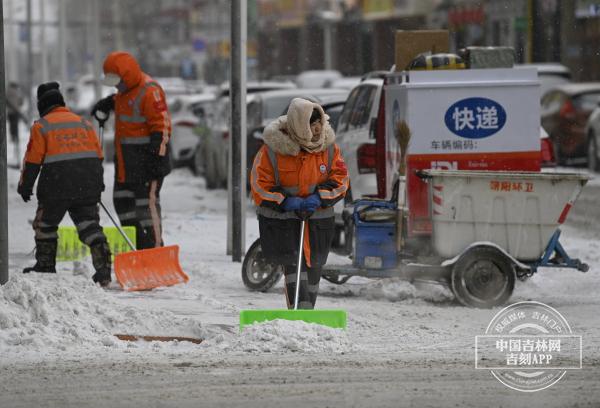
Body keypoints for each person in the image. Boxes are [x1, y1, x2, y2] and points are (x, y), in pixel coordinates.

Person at [250, 98, 349, 309]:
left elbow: (341, 180)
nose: (316, 130)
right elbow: (259, 185)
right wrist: (285, 200)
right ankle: (296, 312)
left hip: (318, 225)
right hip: (286, 224)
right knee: (293, 270)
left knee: (314, 270)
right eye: (311, 126)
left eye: (318, 125)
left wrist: (320, 197)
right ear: (298, 125)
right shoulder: (272, 151)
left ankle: (308, 311)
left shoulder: (329, 149)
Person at [18, 82, 112, 286]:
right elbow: (98, 156)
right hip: (88, 183)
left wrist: (25, 186)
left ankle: (45, 265)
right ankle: (103, 268)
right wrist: (98, 184)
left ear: (42, 105)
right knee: (89, 225)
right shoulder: (84, 123)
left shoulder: (42, 126)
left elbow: (32, 160)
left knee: (45, 225)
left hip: (56, 186)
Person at [91, 51, 172, 249]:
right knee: (123, 202)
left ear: (127, 75)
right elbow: (124, 101)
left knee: (146, 207)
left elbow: (162, 126)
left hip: (148, 162)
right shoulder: (124, 92)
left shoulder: (150, 91)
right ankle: (139, 245)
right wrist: (109, 103)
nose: (117, 86)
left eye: (118, 81)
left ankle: (155, 248)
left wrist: (156, 157)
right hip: (126, 164)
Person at [6, 82, 24, 160]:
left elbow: (6, 101)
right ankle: (15, 137)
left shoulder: (7, 91)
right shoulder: (17, 92)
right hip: (16, 111)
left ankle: (13, 136)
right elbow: (21, 102)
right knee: (15, 125)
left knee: (12, 125)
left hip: (10, 112)